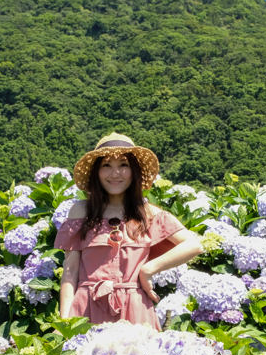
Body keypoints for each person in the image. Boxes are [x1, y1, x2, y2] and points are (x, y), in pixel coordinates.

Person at [55, 133, 203, 330]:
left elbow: (194, 244)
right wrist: (65, 322)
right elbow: (70, 271)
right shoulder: (81, 211)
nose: (115, 173)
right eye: (106, 165)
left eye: (123, 165)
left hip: (135, 309)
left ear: (134, 171)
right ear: (96, 173)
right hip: (87, 307)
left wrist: (148, 269)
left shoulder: (148, 213)